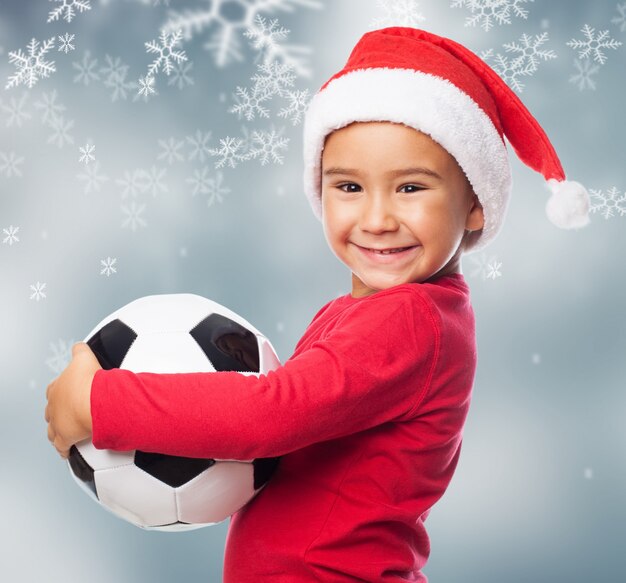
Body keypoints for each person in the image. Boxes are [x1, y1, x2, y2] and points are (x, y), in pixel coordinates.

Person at [45, 27, 590, 582]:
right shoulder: (379, 312)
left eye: (410, 188)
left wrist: (99, 403)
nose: (377, 219)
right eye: (349, 187)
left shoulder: (413, 320)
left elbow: (269, 414)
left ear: (474, 203)